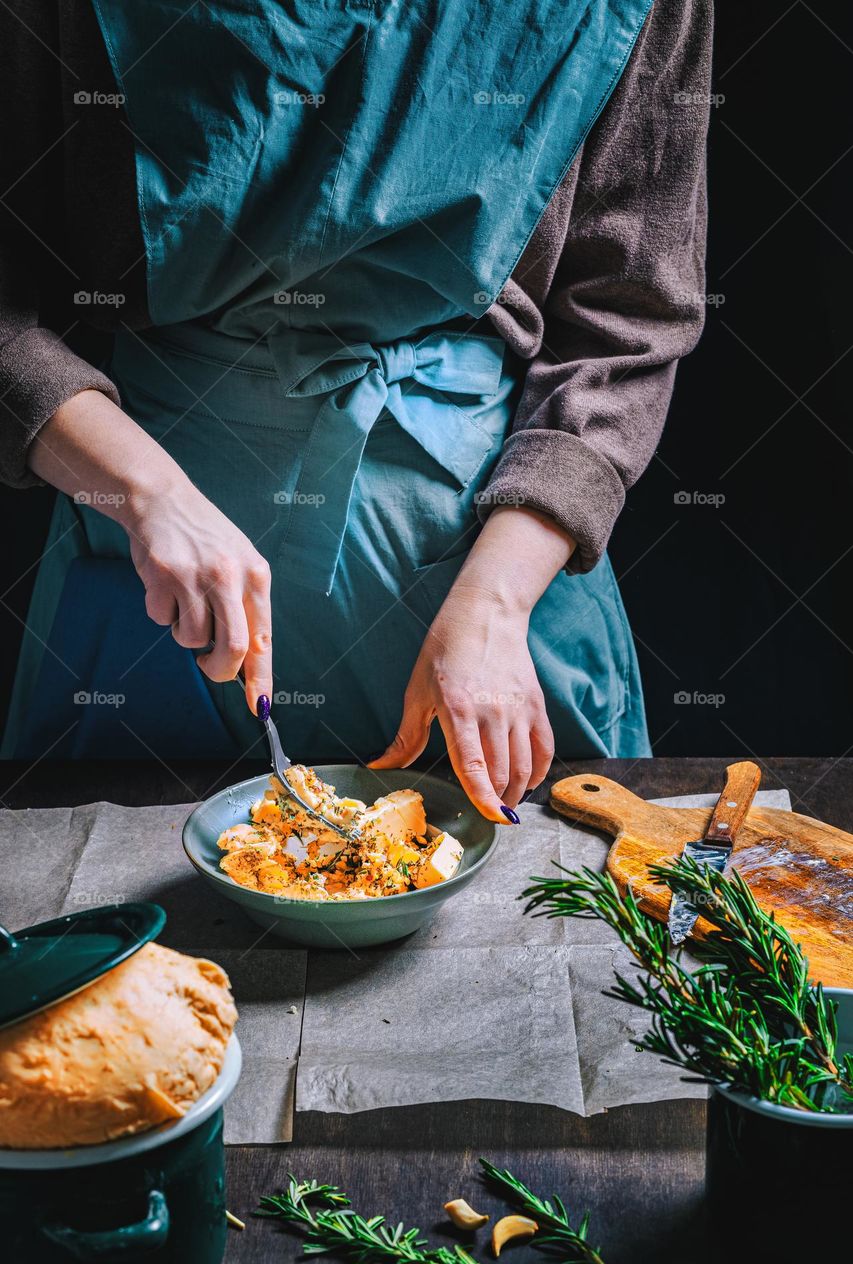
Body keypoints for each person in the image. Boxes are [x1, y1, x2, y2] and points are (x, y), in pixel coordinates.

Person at [0, 0, 712, 821]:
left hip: (489, 573)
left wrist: (496, 602)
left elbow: (627, 316)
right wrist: (148, 498)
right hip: (146, 567)